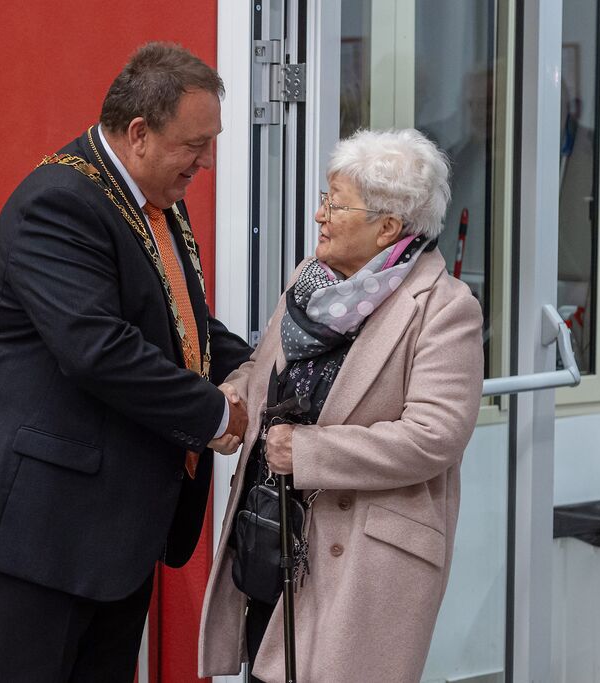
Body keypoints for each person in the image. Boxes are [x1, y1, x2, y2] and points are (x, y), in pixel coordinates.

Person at [0, 42, 252, 682]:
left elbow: (184, 327)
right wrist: (216, 413)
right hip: (37, 533)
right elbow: (98, 350)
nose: (208, 161)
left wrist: (264, 371)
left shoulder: (154, 196)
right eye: (195, 144)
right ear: (139, 133)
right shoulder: (58, 202)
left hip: (111, 537)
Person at [198, 128, 484, 682]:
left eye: (336, 204)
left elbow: (434, 436)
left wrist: (309, 452)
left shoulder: (445, 309)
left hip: (362, 564)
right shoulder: (310, 283)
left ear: (388, 227)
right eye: (324, 199)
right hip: (274, 545)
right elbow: (266, 369)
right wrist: (236, 394)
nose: (319, 216)